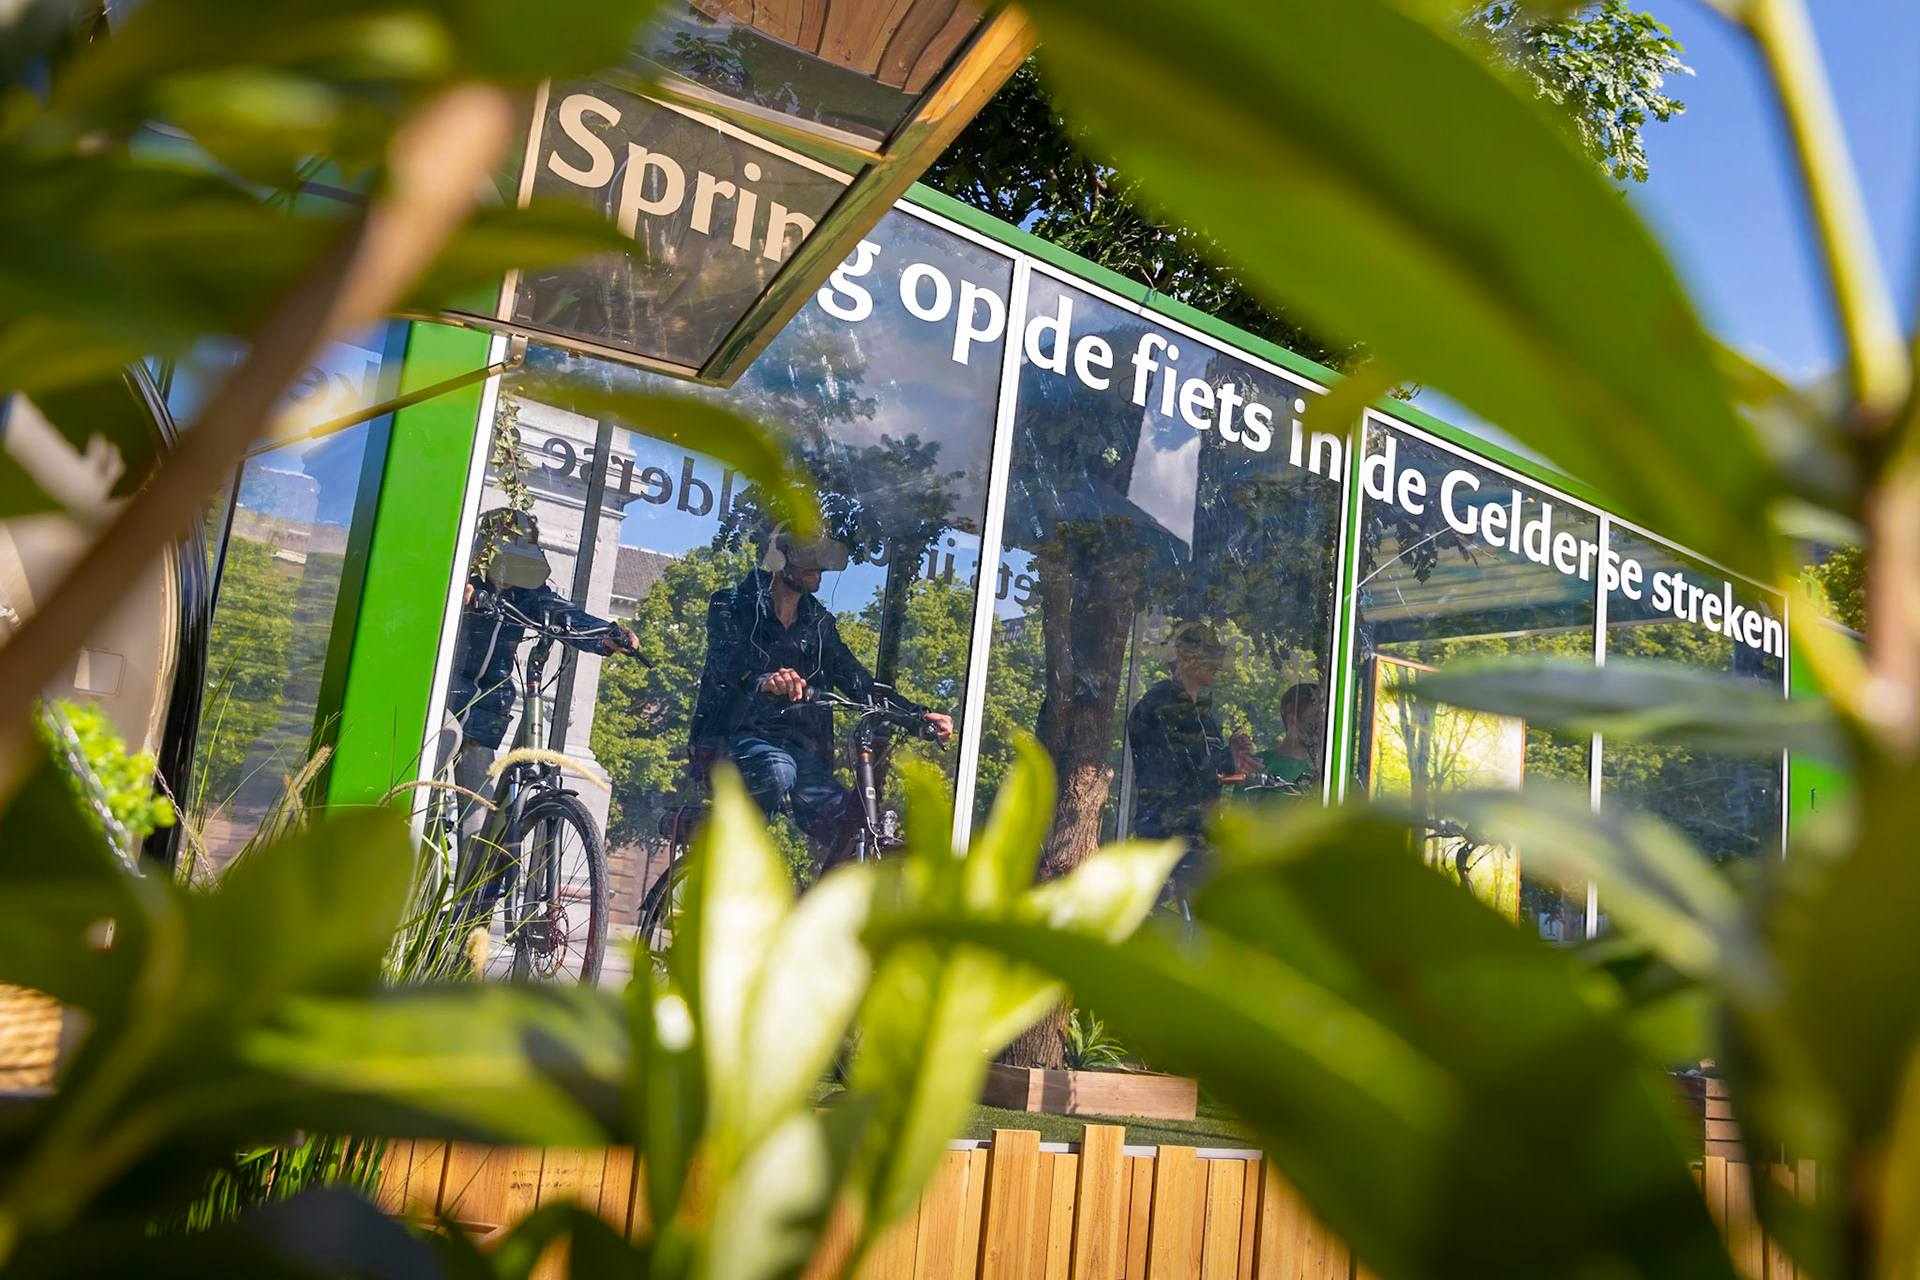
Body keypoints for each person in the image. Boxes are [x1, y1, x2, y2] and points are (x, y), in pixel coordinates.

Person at [688, 523, 954, 861]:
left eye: (822, 558)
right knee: (777, 769)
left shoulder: (819, 624)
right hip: (733, 743)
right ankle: (737, 870)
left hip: (800, 758)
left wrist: (917, 716)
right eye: (806, 557)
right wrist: (764, 679)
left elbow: (860, 684)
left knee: (855, 831)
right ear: (777, 557)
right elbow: (726, 664)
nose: (817, 568)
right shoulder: (732, 605)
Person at [441, 509, 637, 860]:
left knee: (479, 825)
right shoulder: (459, 579)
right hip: (443, 701)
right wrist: (461, 596)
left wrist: (606, 636)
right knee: (445, 748)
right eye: (501, 562)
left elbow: (562, 612)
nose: (507, 577)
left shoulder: (526, 594)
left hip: (485, 714)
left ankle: (467, 910)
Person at [1126, 622, 1255, 861]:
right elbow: (1178, 772)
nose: (1216, 667)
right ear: (1185, 657)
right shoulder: (1159, 705)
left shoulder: (1203, 714)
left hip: (1200, 838)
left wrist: (1236, 759)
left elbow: (1208, 770)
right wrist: (1227, 760)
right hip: (1167, 839)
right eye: (1208, 656)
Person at [1256, 681, 1324, 790]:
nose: (1321, 724)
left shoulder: (1323, 771)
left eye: (1324, 717)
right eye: (1314, 717)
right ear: (1292, 721)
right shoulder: (1257, 766)